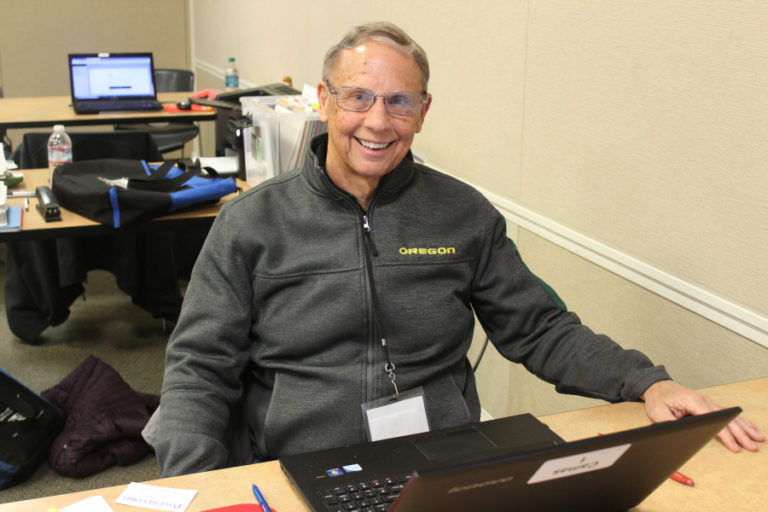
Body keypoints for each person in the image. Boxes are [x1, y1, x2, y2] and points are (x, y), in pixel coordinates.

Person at [144, 21, 763, 477]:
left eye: (399, 101)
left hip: (444, 464)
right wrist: (194, 485)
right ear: (325, 99)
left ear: (423, 111)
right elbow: (199, 368)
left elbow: (540, 329)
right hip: (303, 466)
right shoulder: (251, 223)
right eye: (358, 96)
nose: (378, 121)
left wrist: (646, 383)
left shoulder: (465, 215)